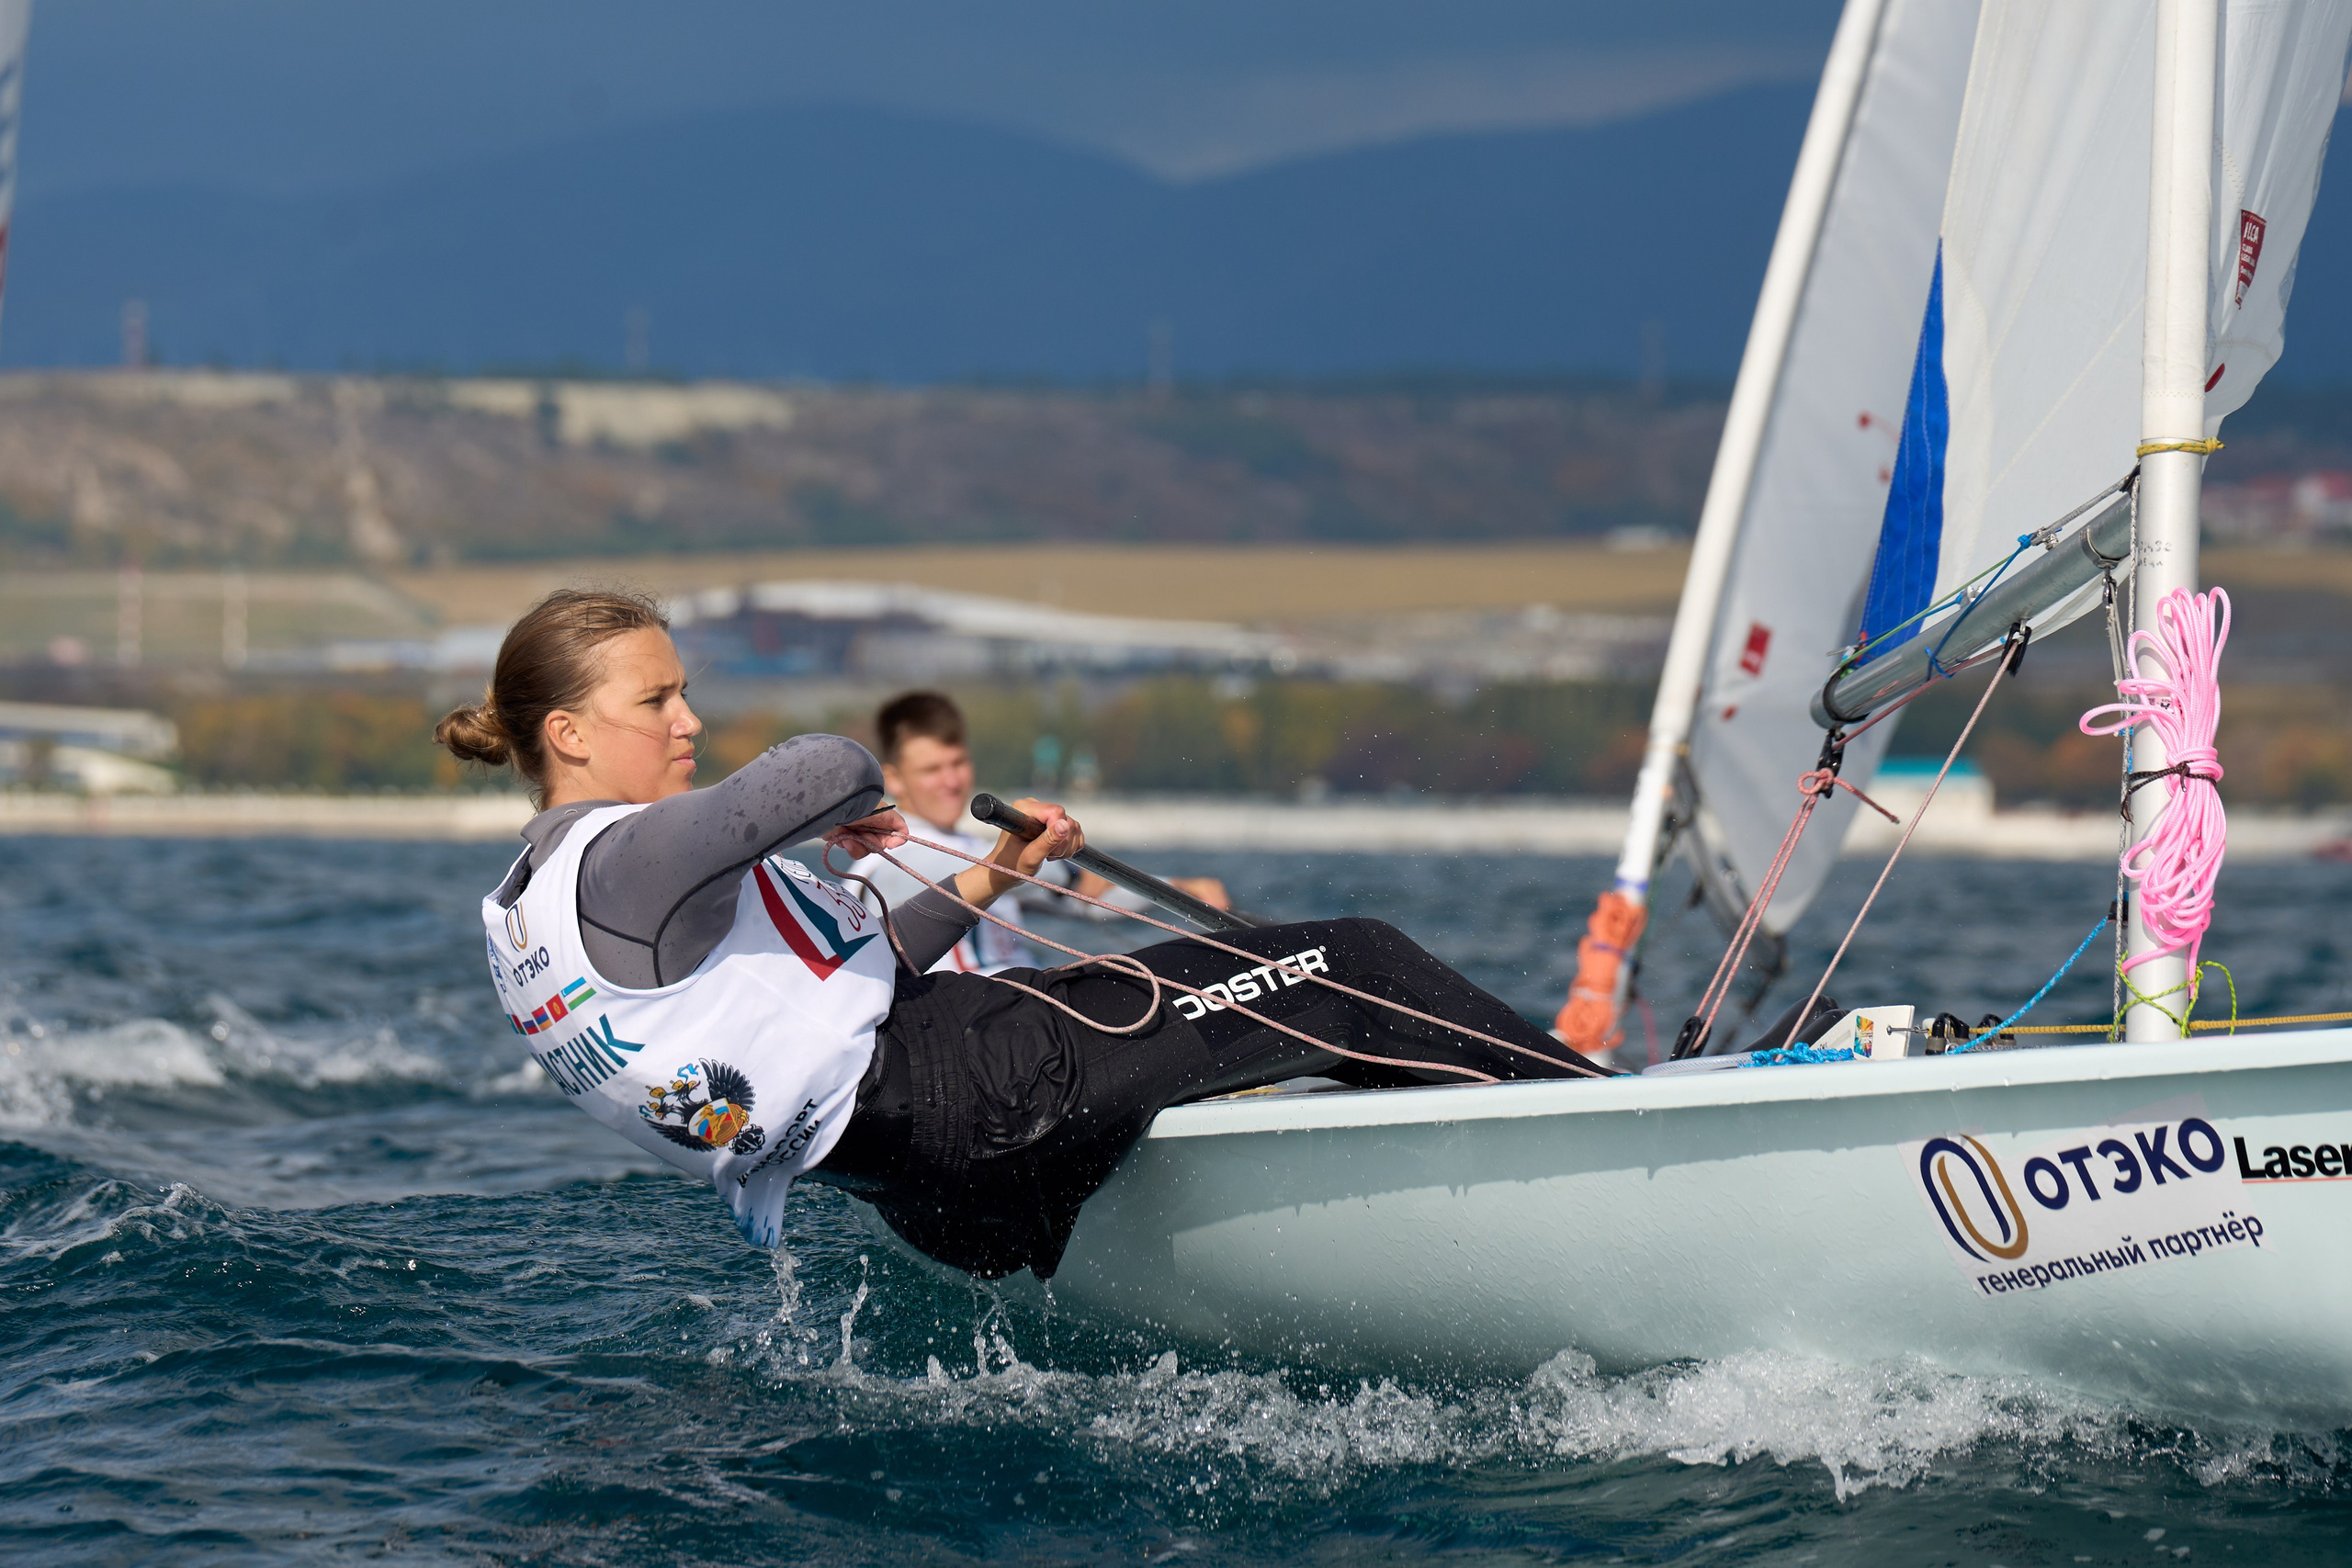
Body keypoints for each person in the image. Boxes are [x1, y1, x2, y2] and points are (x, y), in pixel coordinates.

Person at [437, 589, 1608, 1280]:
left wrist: (993, 875)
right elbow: (828, 766)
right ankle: (1619, 1136)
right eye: (657, 701)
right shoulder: (631, 856)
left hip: (914, 1184)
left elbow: (851, 982)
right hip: (978, 1082)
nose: (690, 721)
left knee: (1276, 1026)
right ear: (568, 735)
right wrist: (835, 808)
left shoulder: (524, 915)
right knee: (1353, 966)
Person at [847, 690, 1230, 974]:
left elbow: (1089, 901)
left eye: (958, 763)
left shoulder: (977, 850)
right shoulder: (888, 858)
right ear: (894, 778)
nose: (951, 781)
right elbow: (1070, 884)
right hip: (966, 1031)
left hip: (1020, 1010)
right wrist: (1054, 855)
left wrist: (1181, 889)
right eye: (932, 770)